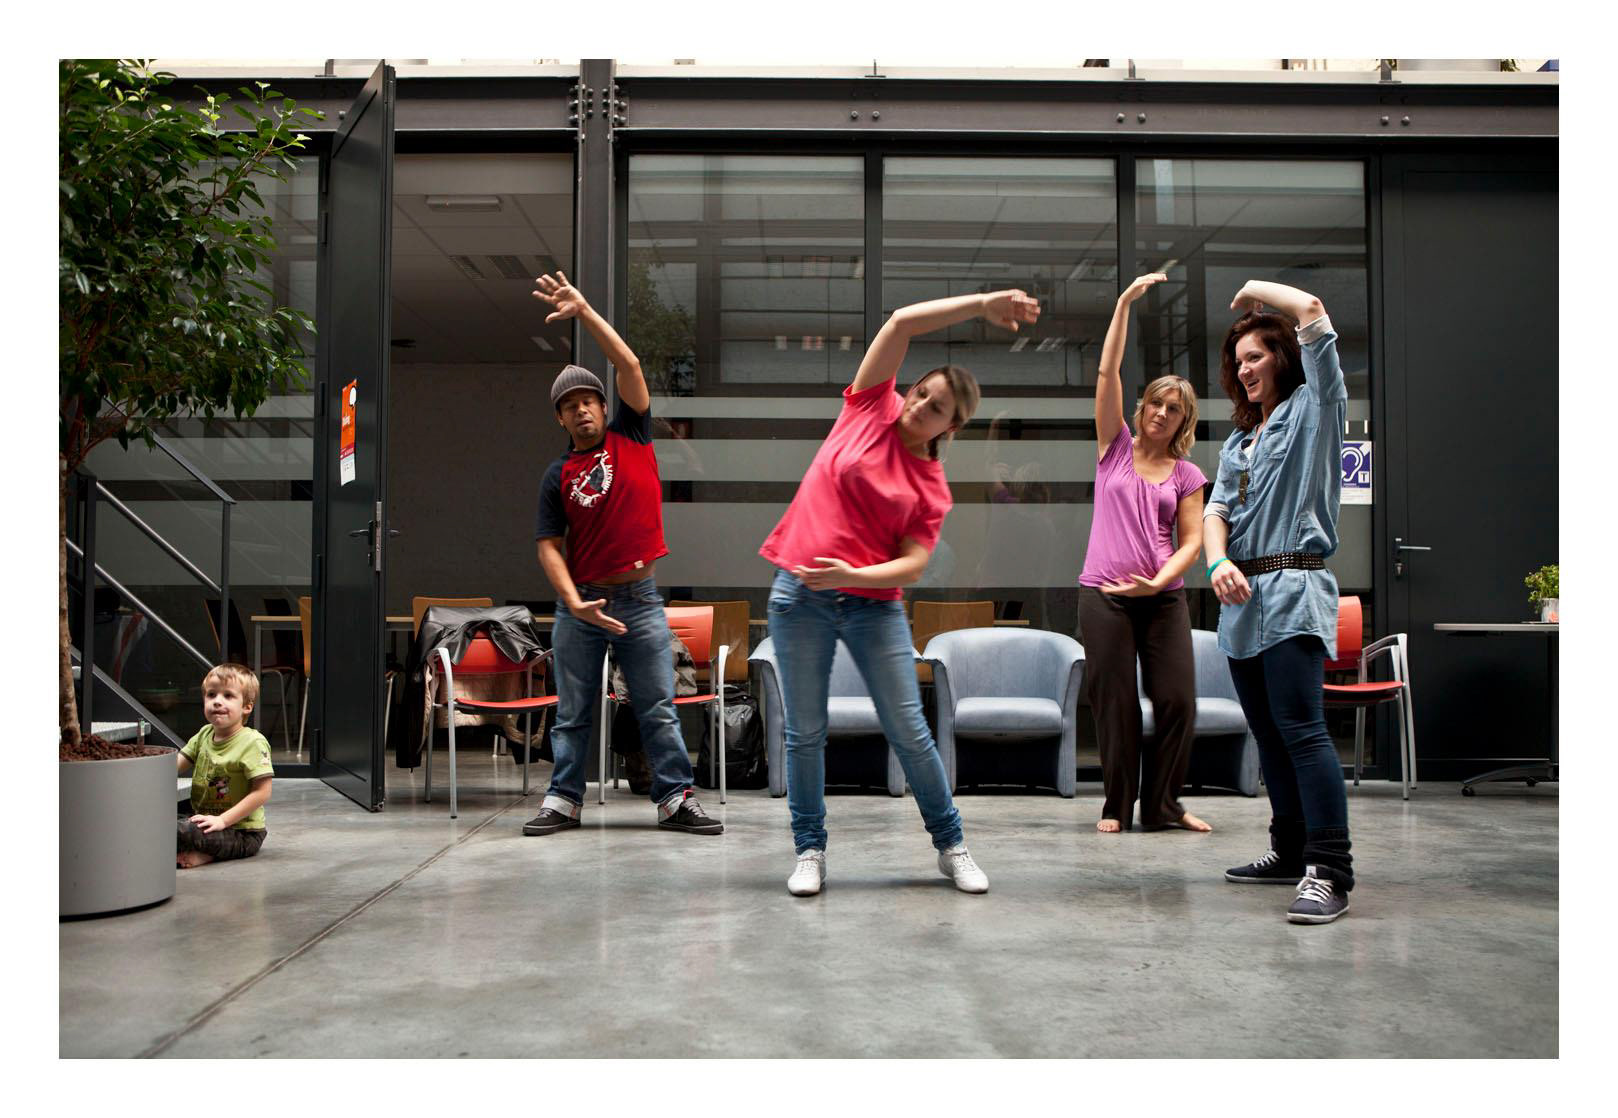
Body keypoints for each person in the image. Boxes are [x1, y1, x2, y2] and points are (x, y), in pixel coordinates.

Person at [759, 288, 1040, 896]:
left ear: (951, 427)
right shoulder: (868, 406)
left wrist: (851, 576)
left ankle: (951, 845)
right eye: (921, 394)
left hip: (873, 608)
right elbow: (901, 323)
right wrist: (984, 304)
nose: (920, 407)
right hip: (800, 593)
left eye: (937, 409)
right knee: (804, 732)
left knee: (909, 729)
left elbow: (912, 566)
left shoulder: (931, 485)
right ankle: (809, 850)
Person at [522, 270, 722, 837]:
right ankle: (564, 801)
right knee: (572, 711)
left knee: (657, 705)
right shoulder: (557, 474)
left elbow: (629, 364)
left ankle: (675, 800)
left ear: (605, 407)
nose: (581, 410)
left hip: (639, 599)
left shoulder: (632, 435)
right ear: (560, 418)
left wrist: (585, 311)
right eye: (570, 406)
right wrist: (571, 602)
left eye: (589, 400)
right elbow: (548, 545)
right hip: (582, 604)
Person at [1202, 279, 1352, 925]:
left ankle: (1330, 870)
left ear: (1283, 358)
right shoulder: (1239, 441)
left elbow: (1313, 314)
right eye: (1238, 362)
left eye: (1256, 356)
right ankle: (1289, 851)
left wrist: (1256, 292)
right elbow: (1215, 512)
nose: (1245, 369)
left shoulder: (1315, 408)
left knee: (1302, 731)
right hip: (1242, 601)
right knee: (1268, 735)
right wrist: (1217, 561)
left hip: (1294, 590)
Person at [1078, 273, 1211, 835]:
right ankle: (1117, 804)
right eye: (1156, 402)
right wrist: (1125, 304)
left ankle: (1164, 806)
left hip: (1162, 600)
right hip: (1105, 596)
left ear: (1183, 421)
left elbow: (1193, 542)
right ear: (1143, 406)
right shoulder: (1113, 448)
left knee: (1178, 700)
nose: (1161, 413)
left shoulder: (1186, 474)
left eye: (1173, 409)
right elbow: (1107, 372)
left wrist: (1157, 582)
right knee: (1116, 704)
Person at [176, 663, 273, 868]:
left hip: (241, 831)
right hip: (203, 820)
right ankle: (200, 849)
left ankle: (209, 854)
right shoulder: (204, 734)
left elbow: (262, 792)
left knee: (179, 831)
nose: (217, 701)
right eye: (211, 695)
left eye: (228, 696)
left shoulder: (253, 742)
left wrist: (223, 821)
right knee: (160, 822)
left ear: (247, 706)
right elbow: (173, 767)